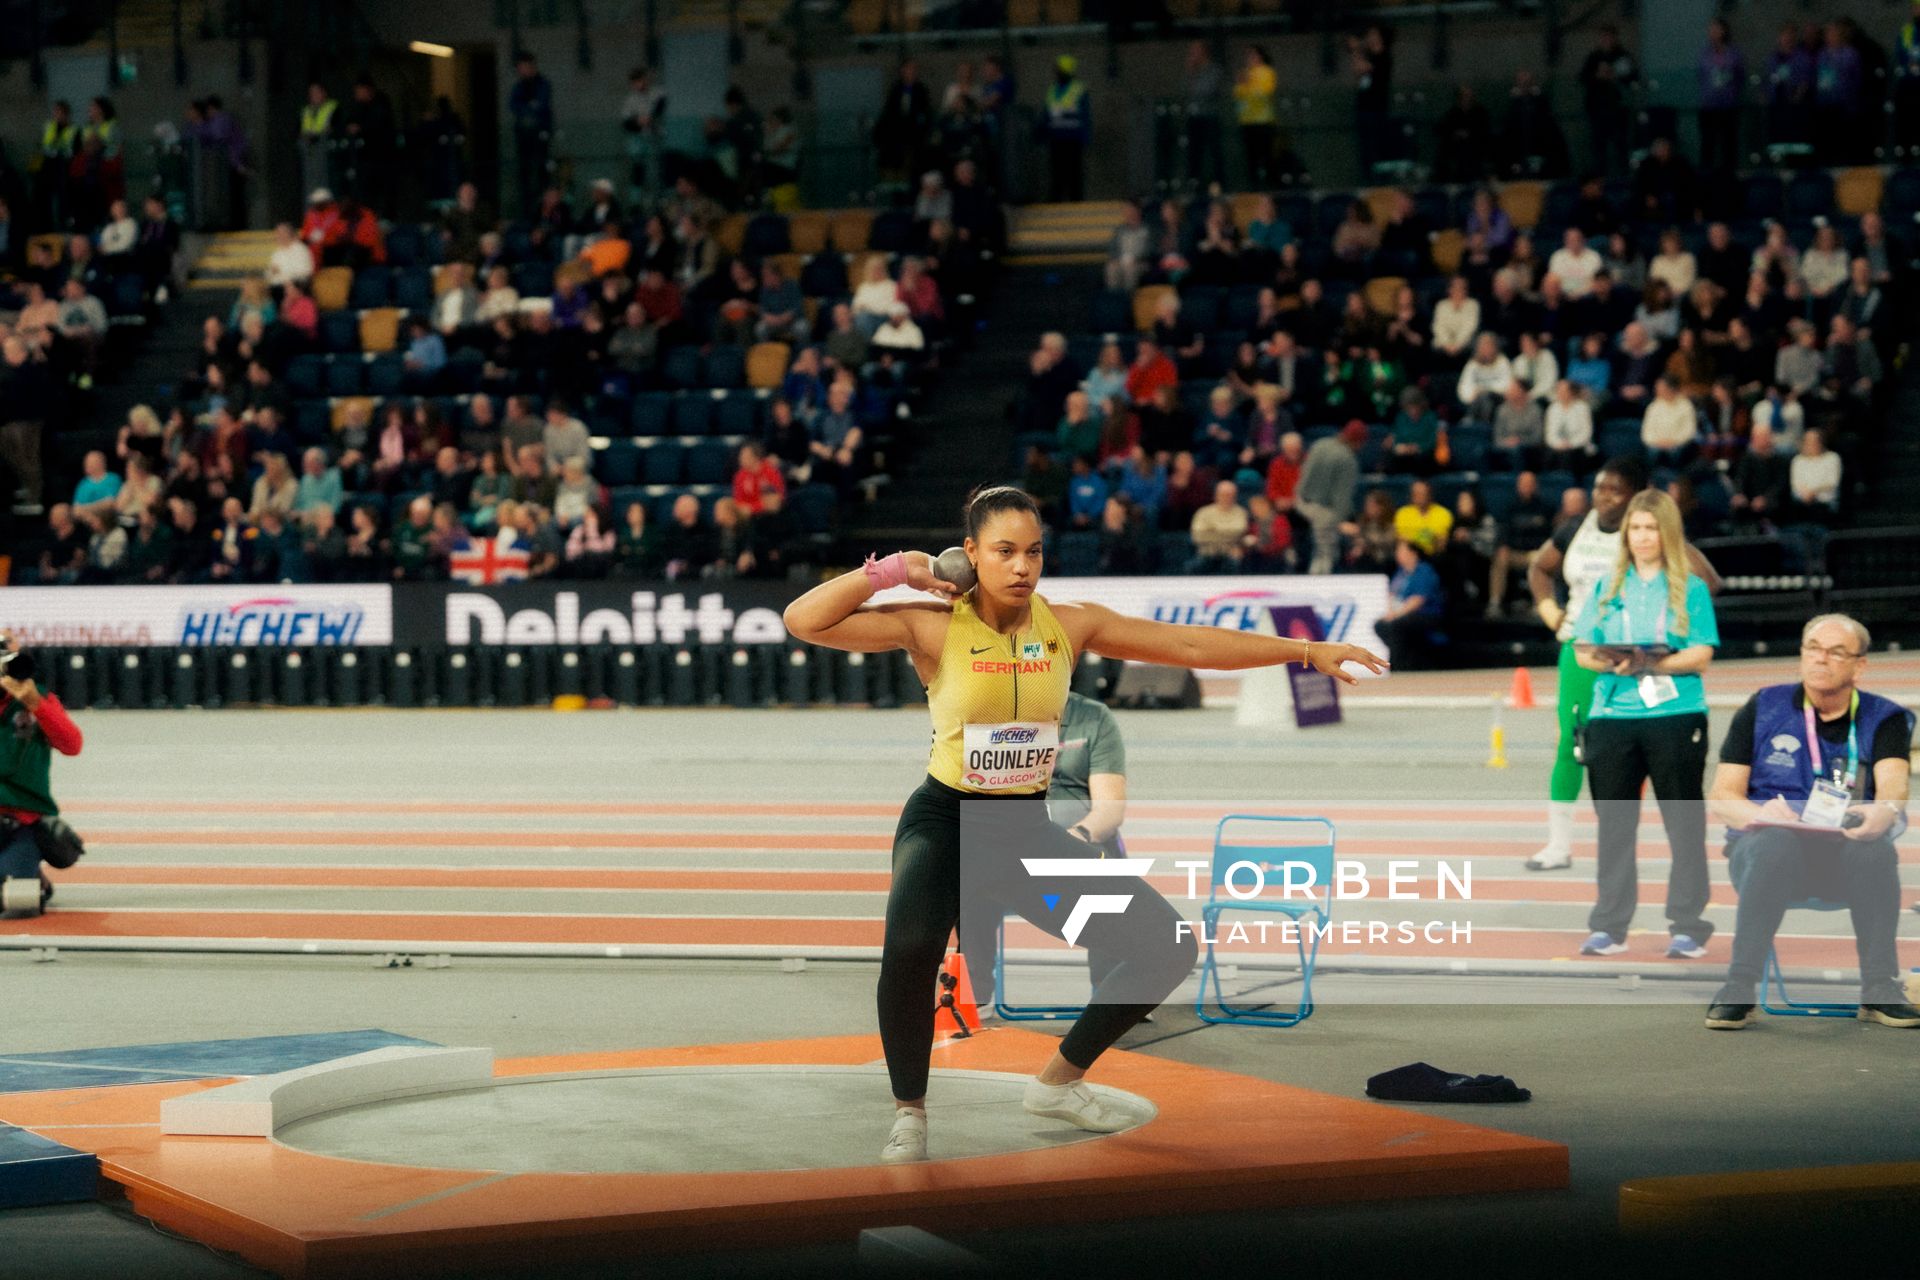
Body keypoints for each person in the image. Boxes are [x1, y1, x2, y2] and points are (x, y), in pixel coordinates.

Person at [781, 486, 1386, 1163]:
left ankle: (1059, 1082)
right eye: (1004, 552)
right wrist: (894, 570)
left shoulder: (1069, 625)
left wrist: (1306, 652)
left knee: (1166, 946)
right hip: (946, 822)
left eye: (1033, 552)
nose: (1021, 568)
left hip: (1022, 835)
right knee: (910, 952)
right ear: (970, 555)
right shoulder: (932, 625)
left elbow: (1188, 644)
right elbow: (804, 619)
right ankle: (910, 1113)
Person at [1703, 614, 1917, 1030]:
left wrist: (1884, 811)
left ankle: (1880, 989)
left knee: (1875, 849)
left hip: (1844, 856)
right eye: (1813, 648)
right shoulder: (1763, 707)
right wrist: (1760, 814)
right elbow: (1723, 795)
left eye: (1836, 652)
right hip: (1767, 858)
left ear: (1859, 665)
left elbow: (1894, 784)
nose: (1821, 659)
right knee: (1774, 842)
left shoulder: (1885, 718)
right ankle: (1738, 986)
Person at [1525, 459, 1721, 872]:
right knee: (1571, 744)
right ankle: (1558, 844)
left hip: (1654, 663)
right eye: (1599, 488)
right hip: (1585, 652)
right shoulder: (1576, 528)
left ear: (1637, 498)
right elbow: (1539, 568)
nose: (1603, 497)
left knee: (1651, 755)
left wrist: (1669, 628)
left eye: (1615, 490)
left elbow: (1707, 580)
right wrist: (1550, 611)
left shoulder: (1649, 535)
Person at [1571, 490, 1720, 959]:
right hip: (1613, 716)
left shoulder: (1690, 587)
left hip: (1674, 715)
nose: (1641, 537)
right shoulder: (1607, 587)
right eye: (1635, 528)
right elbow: (1581, 650)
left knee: (1683, 824)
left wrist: (1654, 663)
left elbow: (1702, 653)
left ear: (1666, 532)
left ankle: (1688, 926)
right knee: (1614, 827)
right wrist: (1612, 662)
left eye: (1650, 528)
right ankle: (1610, 926)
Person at [958, 689, 1132, 1013]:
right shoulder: (992, 714)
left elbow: (1110, 809)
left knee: (1110, 872)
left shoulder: (1093, 718)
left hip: (1079, 842)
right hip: (1013, 842)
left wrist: (1074, 837)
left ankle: (1115, 995)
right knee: (968, 875)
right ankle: (975, 996)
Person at [0, 632, 84, 918]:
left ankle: (30, 876)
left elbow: (72, 745)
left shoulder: (39, 699)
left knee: (19, 904)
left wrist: (36, 704)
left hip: (23, 821)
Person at [1044, 57, 1091, 203]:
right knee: (1057, 172)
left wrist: (1085, 136)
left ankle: (1075, 201)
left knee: (1074, 173)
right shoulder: (1052, 89)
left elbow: (1085, 114)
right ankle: (1056, 200)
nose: (1056, 73)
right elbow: (1047, 113)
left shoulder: (1078, 89)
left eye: (1059, 69)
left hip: (1072, 138)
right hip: (1056, 138)